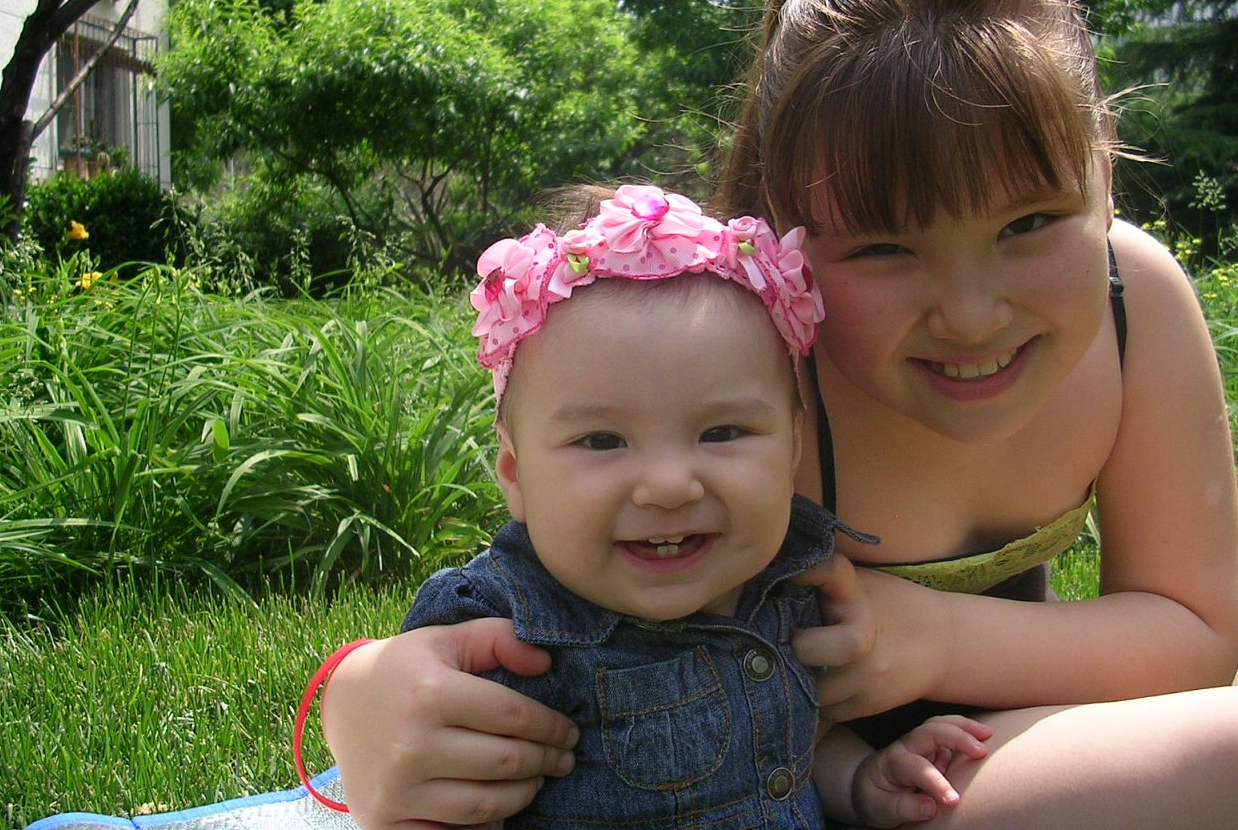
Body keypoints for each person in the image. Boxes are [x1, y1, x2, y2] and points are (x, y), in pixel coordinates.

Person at [318, 0, 1238, 830]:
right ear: (783, 230)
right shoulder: (742, 357)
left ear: (1104, 164)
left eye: (1030, 223)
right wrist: (359, 695)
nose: (971, 316)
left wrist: (932, 637)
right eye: (885, 247)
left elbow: (1202, 639)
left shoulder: (1134, 303)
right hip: (795, 775)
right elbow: (554, 569)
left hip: (958, 761)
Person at [301, 184, 993, 828]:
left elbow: (784, 739)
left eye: (722, 432)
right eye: (602, 441)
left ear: (791, 448)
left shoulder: (788, 584)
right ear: (515, 472)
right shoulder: (505, 629)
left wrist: (863, 780)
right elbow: (430, 768)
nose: (667, 486)